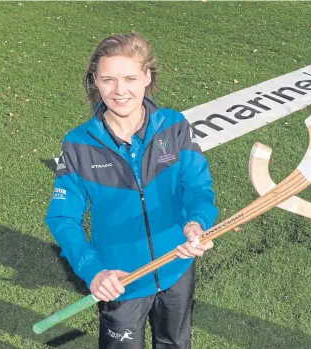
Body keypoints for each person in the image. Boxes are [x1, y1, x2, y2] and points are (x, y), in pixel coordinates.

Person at [45, 33, 218, 349]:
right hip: (120, 281)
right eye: (108, 79)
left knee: (175, 343)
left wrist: (198, 222)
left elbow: (199, 187)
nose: (119, 90)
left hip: (177, 267)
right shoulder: (78, 145)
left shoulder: (174, 126)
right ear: (95, 81)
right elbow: (62, 218)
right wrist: (93, 271)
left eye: (130, 78)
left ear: (147, 77)